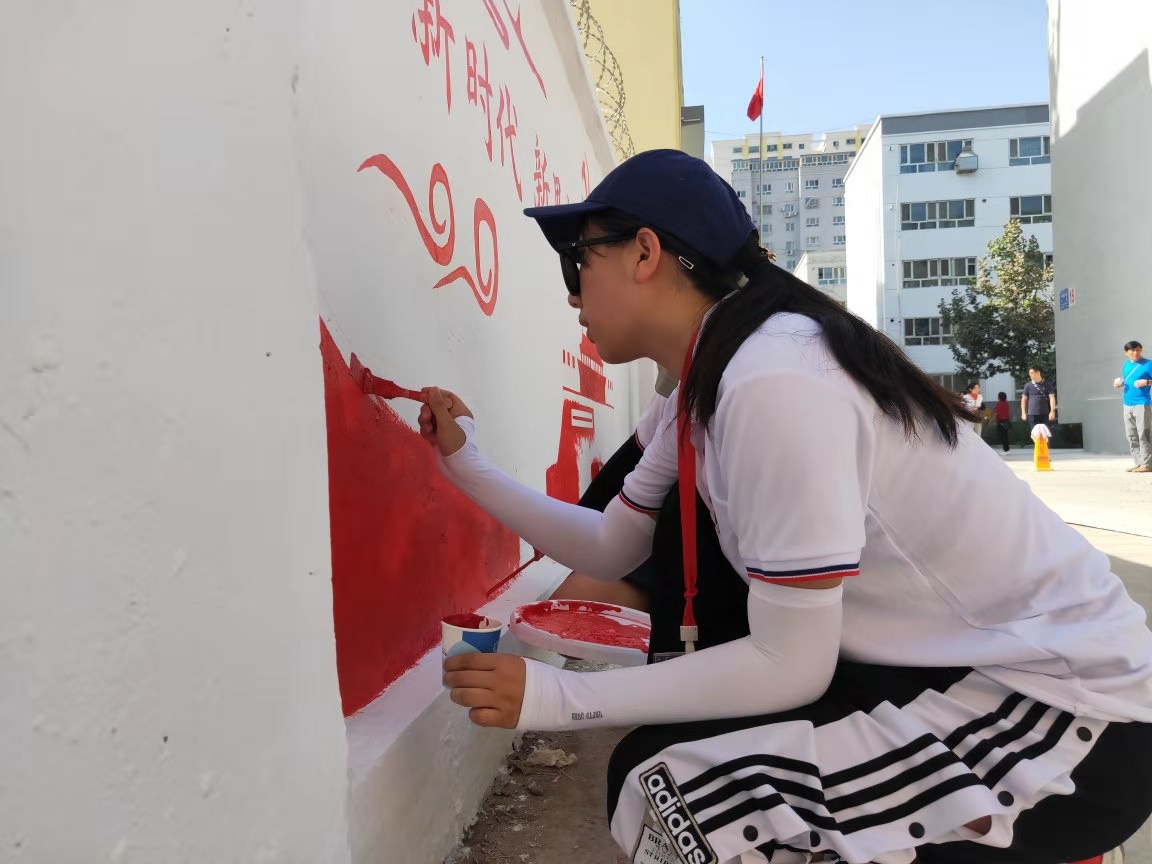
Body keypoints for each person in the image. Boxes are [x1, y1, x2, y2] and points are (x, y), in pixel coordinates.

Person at [422, 150, 1152, 863]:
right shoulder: (707, 380)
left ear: (645, 253)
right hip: (941, 671)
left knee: (682, 796)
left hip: (1062, 714)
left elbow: (789, 663)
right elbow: (611, 545)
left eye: (577, 259)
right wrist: (465, 462)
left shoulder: (774, 379)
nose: (573, 294)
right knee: (664, 763)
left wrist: (553, 697)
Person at [1113, 340, 1152, 473]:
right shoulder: (1126, 365)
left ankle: (1147, 464)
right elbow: (1127, 381)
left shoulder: (1148, 364)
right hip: (1127, 404)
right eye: (1133, 350)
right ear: (1126, 352)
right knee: (1131, 435)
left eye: (1138, 350)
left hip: (1142, 403)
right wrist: (1118, 384)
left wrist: (1146, 382)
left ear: (1141, 350)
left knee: (1144, 434)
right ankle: (1138, 462)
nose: (1136, 353)